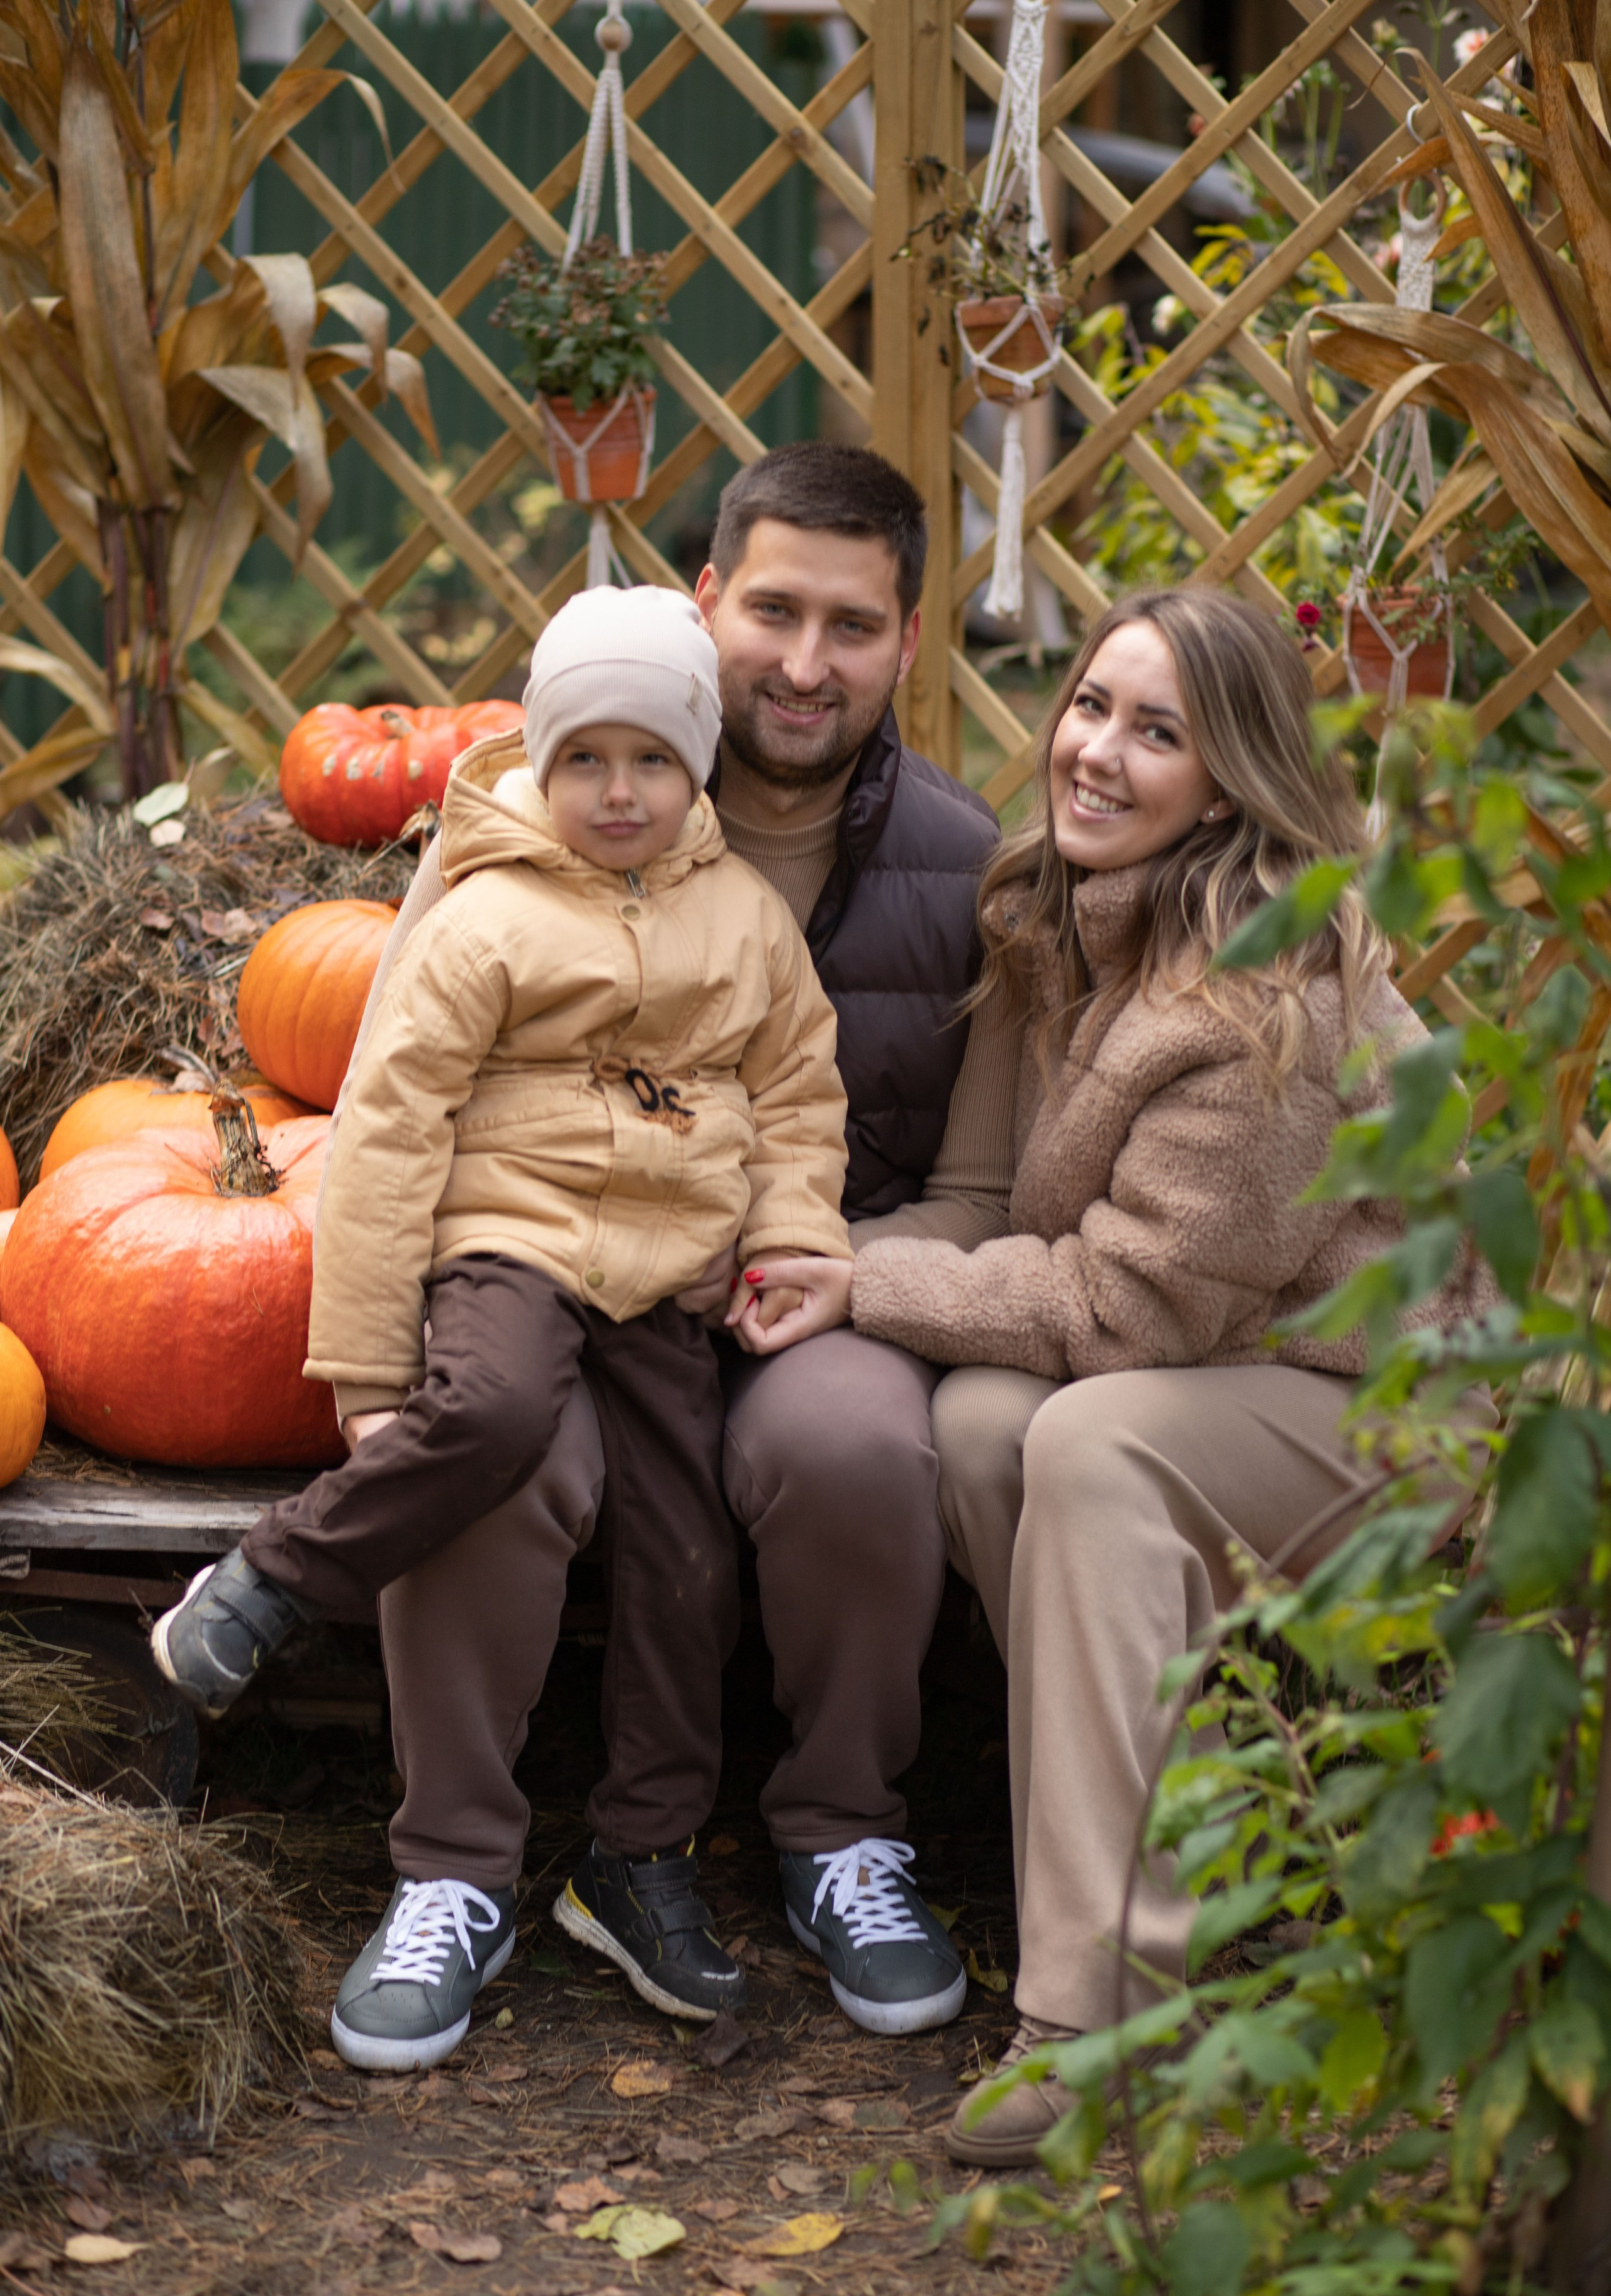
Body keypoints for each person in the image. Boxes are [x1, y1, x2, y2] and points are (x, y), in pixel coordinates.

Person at [734, 585, 1492, 2161]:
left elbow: (1129, 1310)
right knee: (983, 1423)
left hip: (1376, 1402)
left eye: (1158, 734)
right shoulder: (1058, 916)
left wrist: (866, 1286)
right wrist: (805, 1251)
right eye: (1090, 706)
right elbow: (990, 1207)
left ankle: (1095, 2018)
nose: (1096, 751)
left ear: (1226, 785)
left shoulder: (1265, 998)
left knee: (1085, 1441)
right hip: (1212, 1364)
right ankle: (1198, 1843)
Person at [315, 444, 1007, 2048]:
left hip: (798, 1288)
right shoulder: (525, 818)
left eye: (852, 625)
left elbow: (978, 1190)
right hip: (546, 1273)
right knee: (488, 1443)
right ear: (705, 605)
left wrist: (814, 1268)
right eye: (773, 611)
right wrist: (370, 1349)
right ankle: (453, 1868)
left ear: (909, 642)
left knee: (854, 1442)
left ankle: (840, 1835)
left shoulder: (963, 870)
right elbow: (386, 1106)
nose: (805, 661)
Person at [153, 583, 854, 2069]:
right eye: (584, 757)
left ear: (696, 766)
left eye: (652, 760)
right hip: (507, 1243)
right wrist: (363, 1365)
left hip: (665, 1273)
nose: (619, 790)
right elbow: (385, 1132)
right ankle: (276, 1581)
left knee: (686, 1561)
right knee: (487, 1413)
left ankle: (639, 1857)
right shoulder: (484, 915)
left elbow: (798, 1093)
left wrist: (790, 1232)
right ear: (539, 757)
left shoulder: (744, 919)